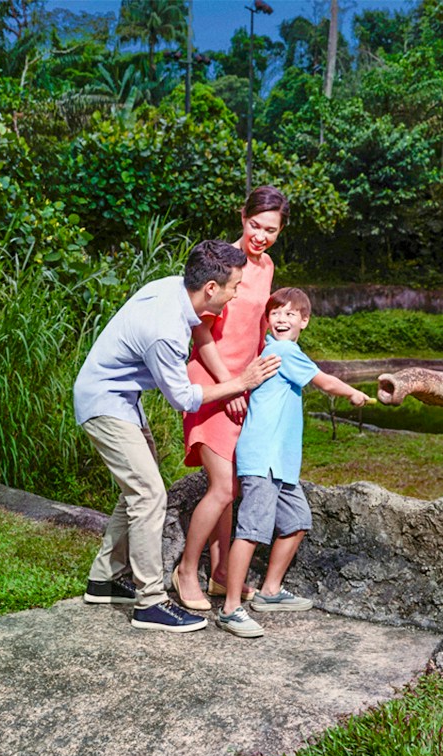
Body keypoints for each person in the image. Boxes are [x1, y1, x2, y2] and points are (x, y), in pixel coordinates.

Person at [73, 240, 281, 633]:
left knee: (137, 487)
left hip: (120, 398)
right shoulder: (165, 330)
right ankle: (150, 601)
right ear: (210, 289)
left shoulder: (174, 286)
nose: (237, 294)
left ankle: (103, 579)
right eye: (235, 287)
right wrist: (241, 383)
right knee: (149, 494)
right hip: (104, 403)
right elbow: (183, 398)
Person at [214, 288, 371, 638]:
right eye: (276, 313)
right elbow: (324, 381)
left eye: (290, 314)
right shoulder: (283, 351)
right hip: (262, 458)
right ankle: (230, 608)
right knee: (252, 530)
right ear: (268, 320)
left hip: (281, 463)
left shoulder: (286, 351)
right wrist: (353, 393)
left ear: (305, 320)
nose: (282, 319)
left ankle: (270, 591)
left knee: (298, 520)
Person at [174, 186, 290, 612]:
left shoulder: (268, 266)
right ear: (242, 217)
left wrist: (259, 381)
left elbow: (259, 329)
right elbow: (200, 330)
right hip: (212, 378)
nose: (260, 236)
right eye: (255, 225)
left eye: (270, 230)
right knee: (223, 487)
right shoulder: (222, 261)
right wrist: (232, 384)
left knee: (235, 485)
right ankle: (188, 570)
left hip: (246, 383)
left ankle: (223, 575)